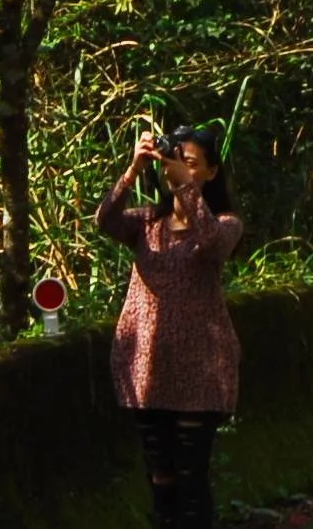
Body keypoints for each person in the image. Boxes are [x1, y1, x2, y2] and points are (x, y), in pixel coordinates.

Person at [98, 124, 244, 529]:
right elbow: (105, 221)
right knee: (161, 480)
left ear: (211, 173)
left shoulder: (225, 223)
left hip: (200, 370)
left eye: (191, 163)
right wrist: (133, 168)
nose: (179, 168)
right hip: (146, 368)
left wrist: (185, 189)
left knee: (191, 478)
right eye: (175, 160)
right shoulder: (146, 223)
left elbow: (213, 241)